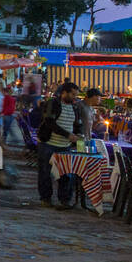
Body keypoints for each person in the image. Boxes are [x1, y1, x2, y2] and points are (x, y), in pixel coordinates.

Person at [37, 81, 83, 209]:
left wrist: (79, 134)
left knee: (66, 174)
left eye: (76, 95)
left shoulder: (75, 108)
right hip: (48, 144)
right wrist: (67, 135)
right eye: (73, 94)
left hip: (65, 146)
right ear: (64, 93)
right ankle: (46, 198)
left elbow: (77, 125)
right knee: (45, 173)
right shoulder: (53, 103)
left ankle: (64, 200)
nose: (75, 97)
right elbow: (49, 122)